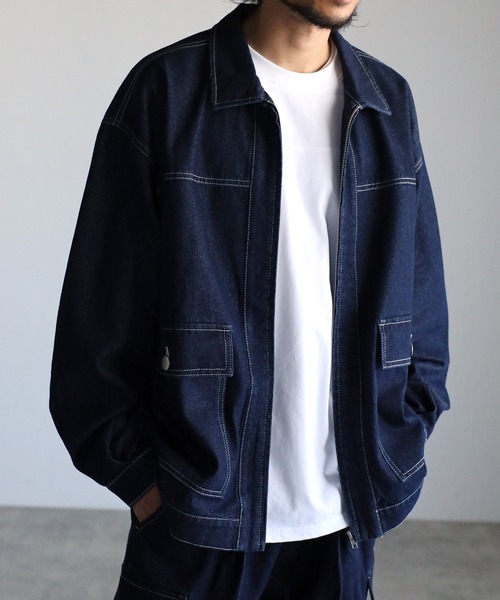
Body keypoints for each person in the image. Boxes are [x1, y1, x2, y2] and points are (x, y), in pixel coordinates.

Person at [50, 1, 450, 598]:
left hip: (342, 524)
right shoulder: (168, 91)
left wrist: (400, 437)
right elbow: (95, 324)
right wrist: (146, 487)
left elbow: (423, 312)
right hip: (196, 517)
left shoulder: (388, 103)